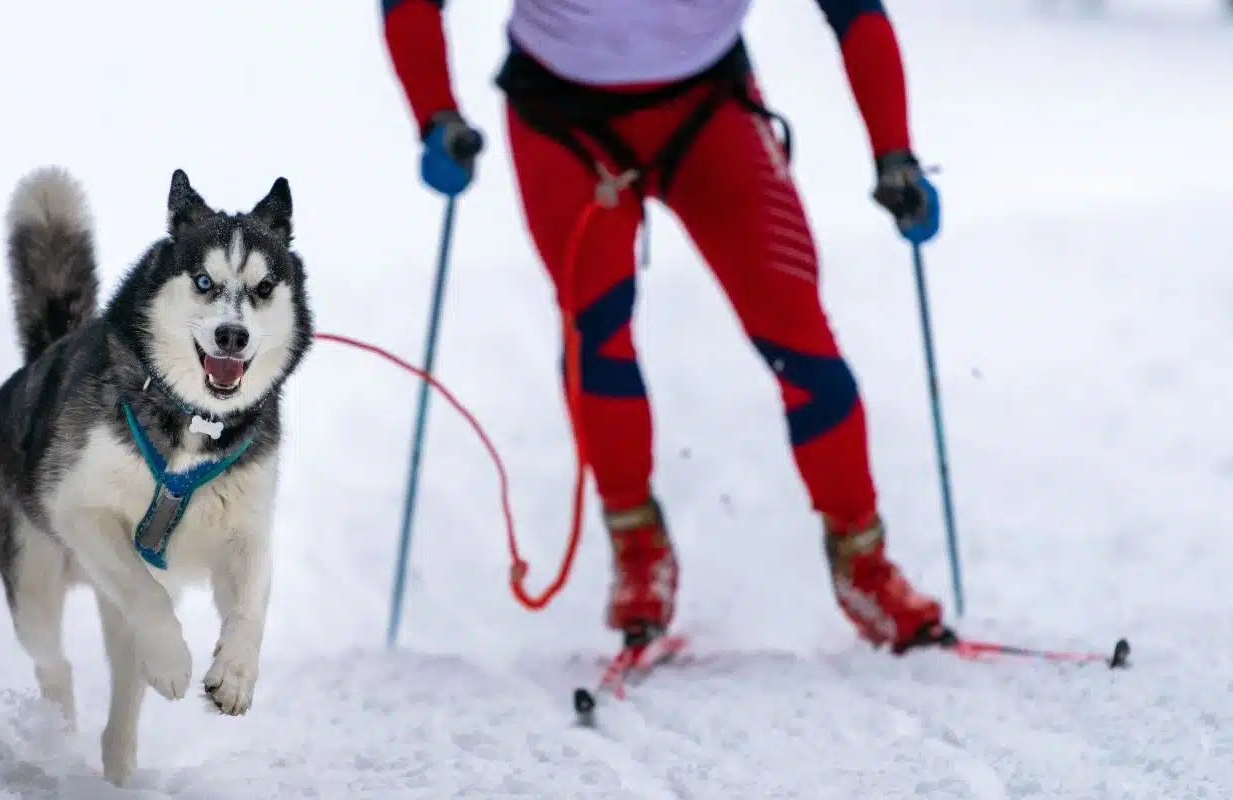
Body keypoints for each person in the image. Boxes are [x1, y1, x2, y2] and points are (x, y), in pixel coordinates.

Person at [379, 0, 951, 653]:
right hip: (560, 121)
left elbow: (855, 12)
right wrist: (436, 114)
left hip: (708, 107)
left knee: (799, 334)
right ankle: (637, 545)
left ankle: (864, 563)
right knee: (598, 336)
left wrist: (895, 151)